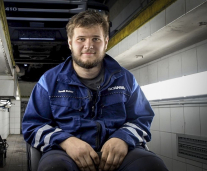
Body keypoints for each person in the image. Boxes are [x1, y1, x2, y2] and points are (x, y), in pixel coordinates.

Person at [22, 10, 168, 171]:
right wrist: (67, 142)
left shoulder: (126, 80)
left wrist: (123, 139)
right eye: (81, 39)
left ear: (106, 42)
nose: (89, 45)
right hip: (65, 153)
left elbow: (142, 119)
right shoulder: (49, 81)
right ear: (70, 43)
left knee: (153, 166)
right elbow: (33, 125)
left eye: (96, 39)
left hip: (119, 154)